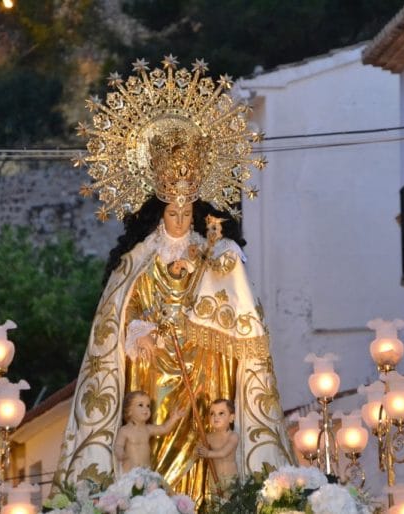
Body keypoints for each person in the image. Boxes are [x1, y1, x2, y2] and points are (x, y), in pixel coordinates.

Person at [52, 57, 294, 503]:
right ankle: (148, 499)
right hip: (154, 368)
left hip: (205, 364)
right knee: (153, 432)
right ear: (158, 208)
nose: (180, 217)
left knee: (211, 433)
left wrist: (219, 266)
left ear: (198, 209)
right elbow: (121, 316)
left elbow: (237, 305)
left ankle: (210, 501)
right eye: (172, 209)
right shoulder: (138, 260)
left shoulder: (215, 251)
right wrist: (142, 333)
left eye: (187, 210)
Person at [114, 390, 185, 473]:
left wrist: (174, 418)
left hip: (146, 472)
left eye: (148, 406)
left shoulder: (148, 429)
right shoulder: (125, 430)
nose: (146, 409)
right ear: (129, 410)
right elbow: (118, 445)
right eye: (141, 405)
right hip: (130, 473)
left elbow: (164, 428)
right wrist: (120, 453)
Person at [196, 398, 240, 497]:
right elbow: (198, 451)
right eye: (212, 413)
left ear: (231, 418)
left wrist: (208, 453)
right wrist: (199, 449)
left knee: (231, 506)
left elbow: (223, 453)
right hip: (214, 478)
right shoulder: (208, 437)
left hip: (230, 479)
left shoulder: (233, 436)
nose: (216, 417)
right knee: (216, 505)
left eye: (221, 413)